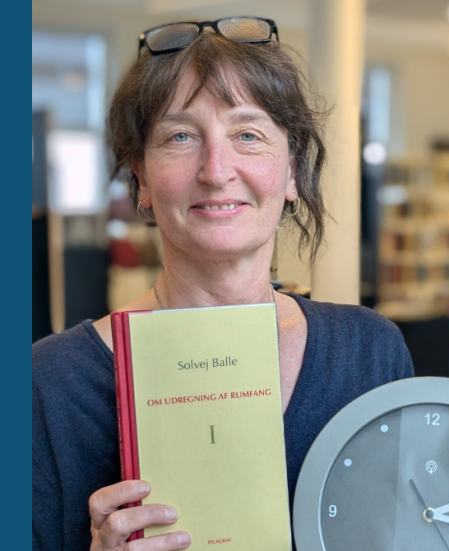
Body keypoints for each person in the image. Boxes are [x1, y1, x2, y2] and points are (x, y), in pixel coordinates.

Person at [32, 17, 413, 551]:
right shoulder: (47, 384)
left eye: (247, 135)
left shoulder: (370, 353)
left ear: (292, 171)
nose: (216, 171)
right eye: (181, 136)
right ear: (141, 178)